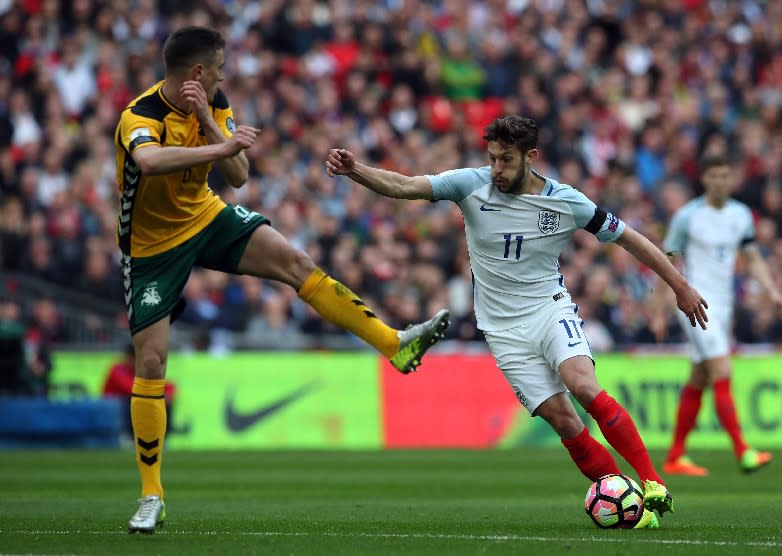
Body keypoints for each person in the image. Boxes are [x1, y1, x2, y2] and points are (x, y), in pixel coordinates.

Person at [114, 26, 450, 534]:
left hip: (204, 216)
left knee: (295, 262)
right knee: (153, 359)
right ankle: (151, 494)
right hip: (151, 246)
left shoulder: (214, 101)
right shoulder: (140, 116)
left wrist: (209, 120)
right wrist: (218, 147)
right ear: (197, 72)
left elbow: (240, 174)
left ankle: (394, 344)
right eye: (220, 69)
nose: (225, 77)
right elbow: (149, 160)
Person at [326, 115, 710, 529]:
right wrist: (356, 171)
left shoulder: (566, 201)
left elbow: (629, 237)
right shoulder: (470, 184)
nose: (496, 170)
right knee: (564, 421)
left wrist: (680, 286)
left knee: (583, 385)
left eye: (505, 160)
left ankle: (652, 482)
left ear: (531, 157)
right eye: (492, 159)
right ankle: (630, 508)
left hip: (549, 308)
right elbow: (405, 186)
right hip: (502, 330)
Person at [652, 155, 782, 477]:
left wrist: (772, 289)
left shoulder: (741, 215)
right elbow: (666, 260)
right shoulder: (688, 216)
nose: (720, 181)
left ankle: (675, 456)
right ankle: (743, 450)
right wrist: (658, 308)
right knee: (722, 368)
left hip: (724, 307)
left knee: (699, 376)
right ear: (705, 179)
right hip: (696, 303)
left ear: (732, 178)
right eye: (714, 175)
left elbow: (751, 258)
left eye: (726, 175)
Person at [102, 343, 177, 440]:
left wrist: (166, 394)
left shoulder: (140, 371)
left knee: (160, 401)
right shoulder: (118, 369)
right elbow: (130, 388)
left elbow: (169, 386)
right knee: (136, 400)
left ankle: (161, 438)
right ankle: (129, 437)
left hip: (133, 403)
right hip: (119, 407)